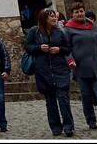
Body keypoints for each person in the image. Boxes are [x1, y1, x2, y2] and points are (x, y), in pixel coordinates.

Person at [63, 2, 97, 130]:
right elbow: (66, 48)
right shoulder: (68, 29)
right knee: (86, 96)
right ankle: (91, 120)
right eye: (76, 12)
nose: (79, 13)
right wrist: (70, 60)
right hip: (81, 67)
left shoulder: (93, 26)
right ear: (72, 14)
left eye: (81, 11)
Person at [25, 8, 74, 136]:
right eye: (51, 16)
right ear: (44, 18)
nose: (54, 18)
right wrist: (39, 48)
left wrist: (59, 49)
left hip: (59, 68)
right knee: (50, 100)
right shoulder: (34, 32)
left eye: (54, 16)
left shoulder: (59, 32)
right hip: (43, 70)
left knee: (63, 97)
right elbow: (28, 47)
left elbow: (67, 48)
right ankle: (55, 126)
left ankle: (68, 126)